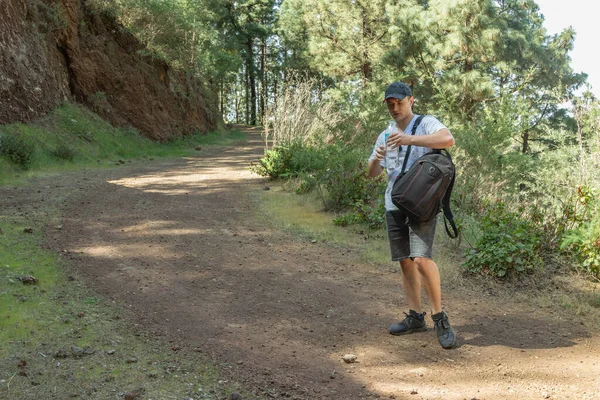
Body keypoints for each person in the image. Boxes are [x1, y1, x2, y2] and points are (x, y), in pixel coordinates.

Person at [367, 81, 456, 349]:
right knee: (405, 261)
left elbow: (447, 139)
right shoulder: (384, 135)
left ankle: (440, 317)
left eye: (399, 102)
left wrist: (409, 139)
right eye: (390, 104)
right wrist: (376, 158)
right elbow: (372, 173)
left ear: (411, 100)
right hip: (394, 203)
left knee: (421, 259)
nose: (395, 108)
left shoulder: (425, 123)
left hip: (422, 203)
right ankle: (416, 316)